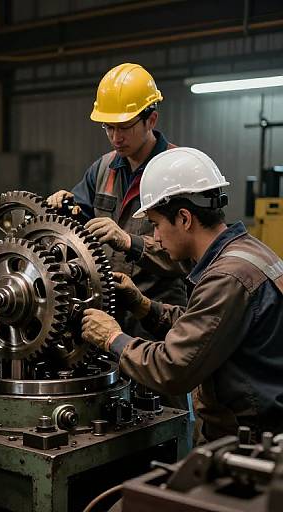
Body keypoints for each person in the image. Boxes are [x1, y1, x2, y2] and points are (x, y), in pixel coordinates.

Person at [81, 147, 283, 442]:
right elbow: (205, 327)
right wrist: (145, 307)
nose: (155, 237)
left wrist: (112, 338)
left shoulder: (226, 277)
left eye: (156, 224)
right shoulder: (246, 251)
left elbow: (172, 368)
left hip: (250, 443)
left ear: (185, 218)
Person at [46, 63, 189, 340]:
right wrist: (63, 206)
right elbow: (78, 224)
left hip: (157, 314)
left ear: (151, 120)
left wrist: (129, 242)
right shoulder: (103, 168)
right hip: (107, 308)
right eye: (108, 127)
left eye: (124, 127)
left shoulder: (179, 171)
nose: (115, 137)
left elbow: (189, 258)